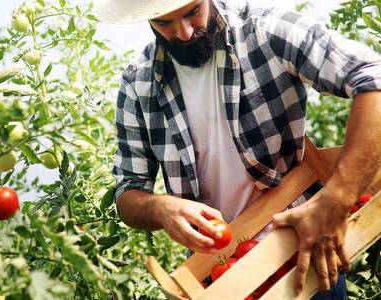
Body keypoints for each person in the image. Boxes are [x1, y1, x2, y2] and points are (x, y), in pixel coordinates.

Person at [93, 0, 381, 298]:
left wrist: (336, 200)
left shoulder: (265, 30)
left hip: (303, 251)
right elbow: (128, 192)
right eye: (164, 23)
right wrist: (161, 208)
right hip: (221, 277)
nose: (184, 32)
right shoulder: (138, 85)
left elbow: (373, 76)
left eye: (192, 12)